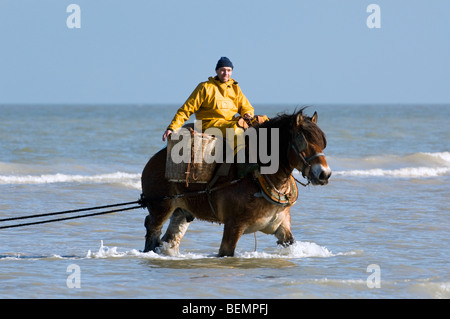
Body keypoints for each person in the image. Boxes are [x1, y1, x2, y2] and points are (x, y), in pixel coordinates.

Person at [162, 57, 265, 177]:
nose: (226, 73)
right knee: (236, 131)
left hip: (230, 122)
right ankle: (243, 166)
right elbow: (186, 109)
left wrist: (248, 114)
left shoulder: (235, 88)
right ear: (216, 71)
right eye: (222, 70)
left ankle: (266, 161)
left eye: (229, 70)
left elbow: (246, 106)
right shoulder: (205, 87)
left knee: (263, 122)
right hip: (209, 123)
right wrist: (172, 128)